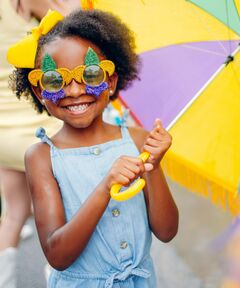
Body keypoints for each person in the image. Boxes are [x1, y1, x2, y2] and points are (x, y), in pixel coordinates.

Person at [7, 7, 179, 288]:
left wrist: (154, 168)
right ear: (39, 91)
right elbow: (57, 255)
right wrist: (105, 187)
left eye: (90, 75)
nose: (75, 91)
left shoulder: (137, 141)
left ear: (111, 81)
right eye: (55, 80)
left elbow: (167, 231)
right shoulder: (41, 157)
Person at [0, 1, 80, 287]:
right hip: (38, 128)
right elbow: (76, 21)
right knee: (56, 216)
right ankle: (58, 280)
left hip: (3, 132)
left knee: (13, 214)